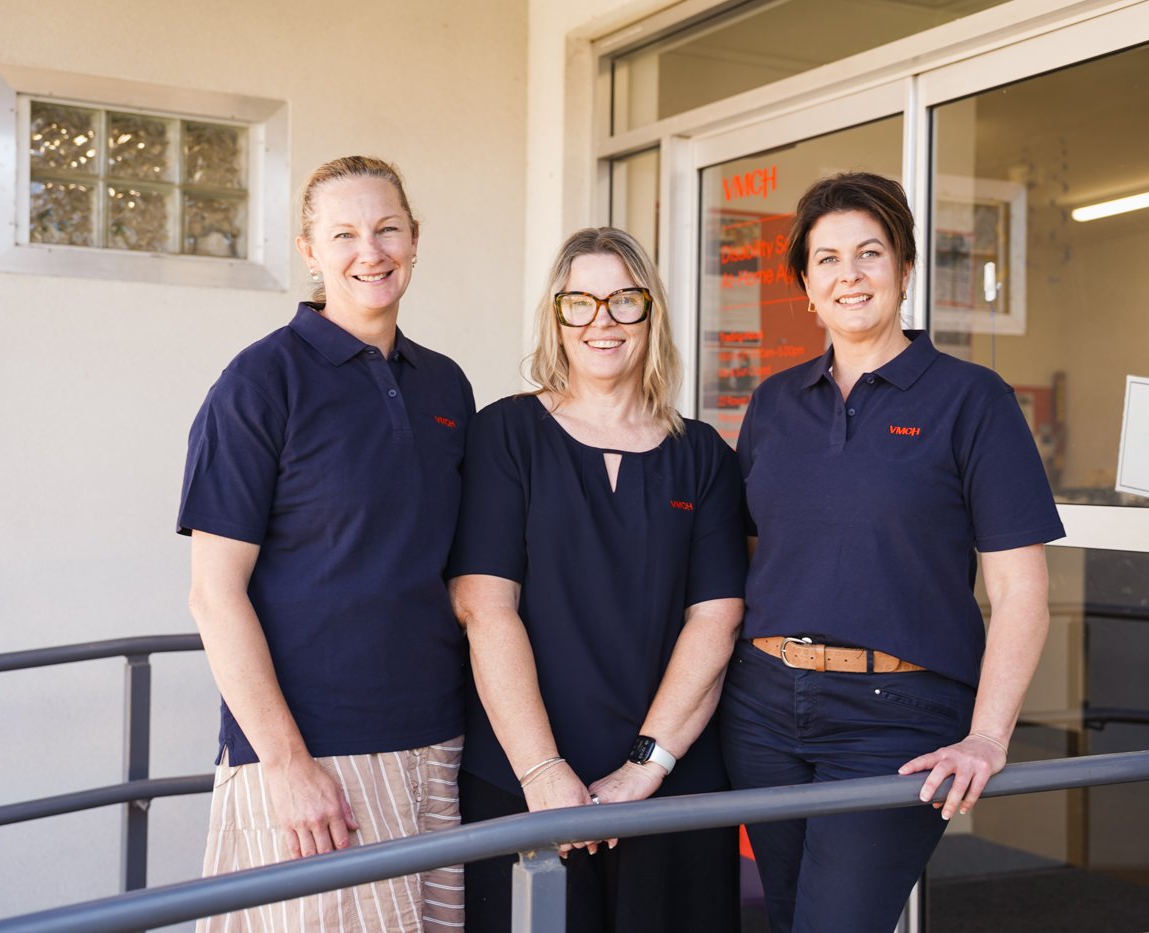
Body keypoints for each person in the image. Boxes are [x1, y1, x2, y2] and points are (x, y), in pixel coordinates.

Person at [721, 172, 1065, 933]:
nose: (850, 274)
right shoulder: (775, 401)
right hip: (763, 709)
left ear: (905, 269)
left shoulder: (972, 400)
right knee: (783, 917)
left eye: (870, 253)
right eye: (828, 258)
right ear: (806, 285)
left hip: (896, 721)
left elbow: (1019, 592)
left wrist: (988, 733)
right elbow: (752, 554)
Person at [178, 155, 474, 931]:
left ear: (415, 238)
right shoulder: (258, 383)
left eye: (386, 229)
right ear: (309, 251)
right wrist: (285, 763)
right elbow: (214, 591)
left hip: (436, 744)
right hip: (317, 756)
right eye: (343, 234)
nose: (369, 251)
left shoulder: (445, 386)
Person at [448, 227, 746, 933]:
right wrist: (543, 771)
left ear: (653, 313)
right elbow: (484, 607)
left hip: (671, 787)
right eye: (580, 302)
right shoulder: (506, 434)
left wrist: (646, 765)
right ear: (556, 316)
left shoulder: (702, 455)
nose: (602, 321)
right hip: (520, 780)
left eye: (623, 301)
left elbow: (718, 619)